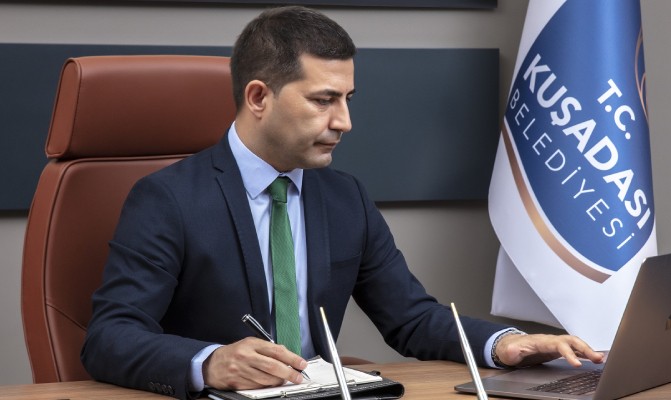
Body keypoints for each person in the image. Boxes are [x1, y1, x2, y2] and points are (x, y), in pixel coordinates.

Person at [81, 6, 604, 399]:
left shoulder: (344, 196)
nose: (344, 122)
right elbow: (109, 337)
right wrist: (210, 362)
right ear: (259, 97)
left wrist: (505, 343)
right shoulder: (167, 198)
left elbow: (410, 318)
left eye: (347, 99)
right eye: (323, 100)